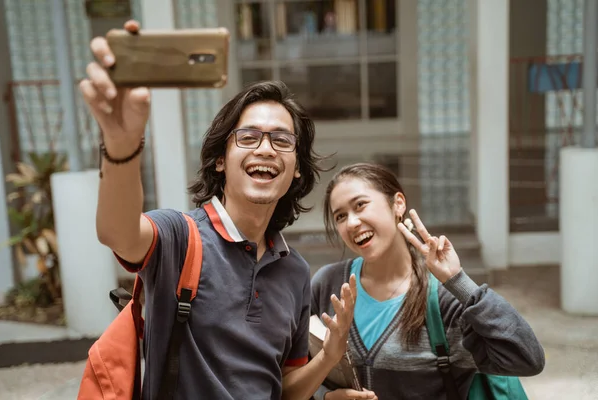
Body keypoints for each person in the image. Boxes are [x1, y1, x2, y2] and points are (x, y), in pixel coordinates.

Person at [80, 19, 358, 400]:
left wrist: (328, 356)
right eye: (248, 137)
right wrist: (122, 143)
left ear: (296, 171)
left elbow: (284, 389)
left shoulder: (294, 272)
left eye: (281, 140)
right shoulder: (181, 237)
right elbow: (118, 232)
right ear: (220, 161)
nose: (265, 148)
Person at [311, 163, 546, 400]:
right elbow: (292, 376)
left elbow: (527, 359)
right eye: (340, 216)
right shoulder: (327, 285)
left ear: (398, 204)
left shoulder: (443, 298)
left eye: (360, 205)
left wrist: (459, 282)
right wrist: (325, 397)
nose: (351, 223)